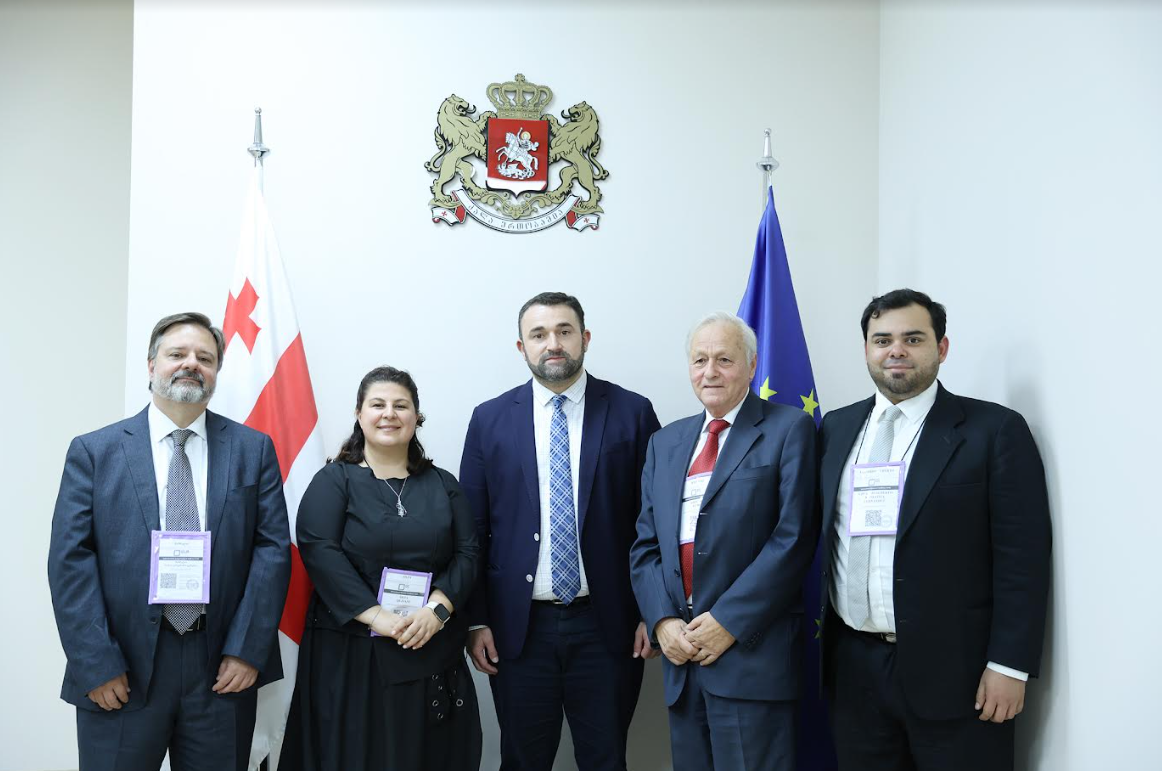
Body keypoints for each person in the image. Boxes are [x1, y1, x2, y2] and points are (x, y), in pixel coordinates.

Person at [818, 289, 1051, 771]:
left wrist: (1009, 665)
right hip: (854, 669)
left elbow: (1022, 558)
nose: (896, 350)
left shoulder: (993, 430)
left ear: (941, 348)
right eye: (882, 340)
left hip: (960, 675)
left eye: (913, 338)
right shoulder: (834, 429)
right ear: (866, 350)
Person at [47, 312, 291, 771]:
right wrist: (96, 663)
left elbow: (272, 552)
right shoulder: (94, 451)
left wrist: (247, 649)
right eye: (177, 354)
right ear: (151, 365)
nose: (191, 364)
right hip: (121, 669)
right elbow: (70, 562)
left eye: (205, 358)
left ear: (216, 372)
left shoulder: (252, 450)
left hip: (221, 669)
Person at [459, 291, 661, 771]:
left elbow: (654, 521)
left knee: (605, 759)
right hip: (518, 630)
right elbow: (472, 529)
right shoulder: (489, 419)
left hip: (609, 627)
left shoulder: (632, 412)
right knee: (523, 761)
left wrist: (652, 611)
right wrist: (476, 620)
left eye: (564, 331)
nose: (553, 343)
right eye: (539, 334)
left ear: (585, 338)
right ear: (522, 347)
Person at [629, 311, 818, 771]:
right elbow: (646, 546)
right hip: (681, 657)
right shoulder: (665, 443)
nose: (710, 371)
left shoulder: (789, 429)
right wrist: (662, 622)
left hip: (751, 655)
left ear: (751, 366)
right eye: (700, 360)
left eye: (724, 360)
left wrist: (728, 621)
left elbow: (792, 538)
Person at [280, 366, 481, 771]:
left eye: (400, 406)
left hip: (429, 644)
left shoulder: (444, 484)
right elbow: (320, 551)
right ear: (359, 414)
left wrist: (437, 611)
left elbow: (468, 552)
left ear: (416, 417)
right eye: (378, 405)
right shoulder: (334, 480)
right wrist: (378, 617)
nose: (389, 414)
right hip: (352, 656)